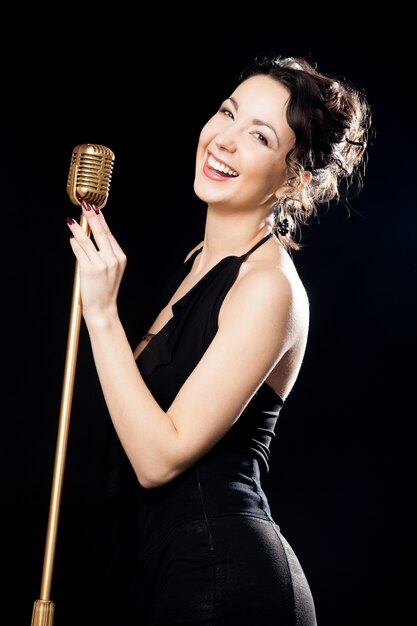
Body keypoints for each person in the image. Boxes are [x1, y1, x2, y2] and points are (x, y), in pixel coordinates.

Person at [66, 54, 371, 625]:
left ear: (295, 177)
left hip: (228, 586)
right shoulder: (195, 264)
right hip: (167, 577)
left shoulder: (269, 286)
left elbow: (159, 459)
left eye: (257, 136)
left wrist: (102, 315)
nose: (223, 141)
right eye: (227, 113)